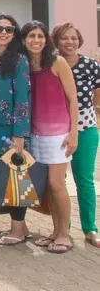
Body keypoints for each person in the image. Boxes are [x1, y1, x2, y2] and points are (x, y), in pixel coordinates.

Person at [22, 21, 79, 254]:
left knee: (57, 183)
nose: (36, 40)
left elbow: (73, 99)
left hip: (58, 134)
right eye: (31, 36)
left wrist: (73, 133)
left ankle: (65, 234)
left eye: (40, 36)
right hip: (35, 134)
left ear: (47, 39)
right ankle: (55, 232)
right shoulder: (25, 65)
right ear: (24, 40)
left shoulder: (58, 62)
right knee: (48, 187)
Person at [0, 13, 32, 246]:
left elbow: (23, 98)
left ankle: (17, 231)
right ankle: (22, 228)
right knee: (5, 179)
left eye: (9, 29)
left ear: (14, 34)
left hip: (11, 134)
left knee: (15, 181)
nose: (3, 33)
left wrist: (19, 134)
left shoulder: (19, 59)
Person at [52, 22, 100, 248]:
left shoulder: (90, 64)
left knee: (84, 180)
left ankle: (90, 228)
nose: (69, 42)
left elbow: (97, 94)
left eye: (73, 38)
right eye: (64, 38)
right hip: (56, 132)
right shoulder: (50, 63)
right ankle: (63, 229)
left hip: (86, 130)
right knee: (57, 182)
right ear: (56, 41)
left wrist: (84, 114)